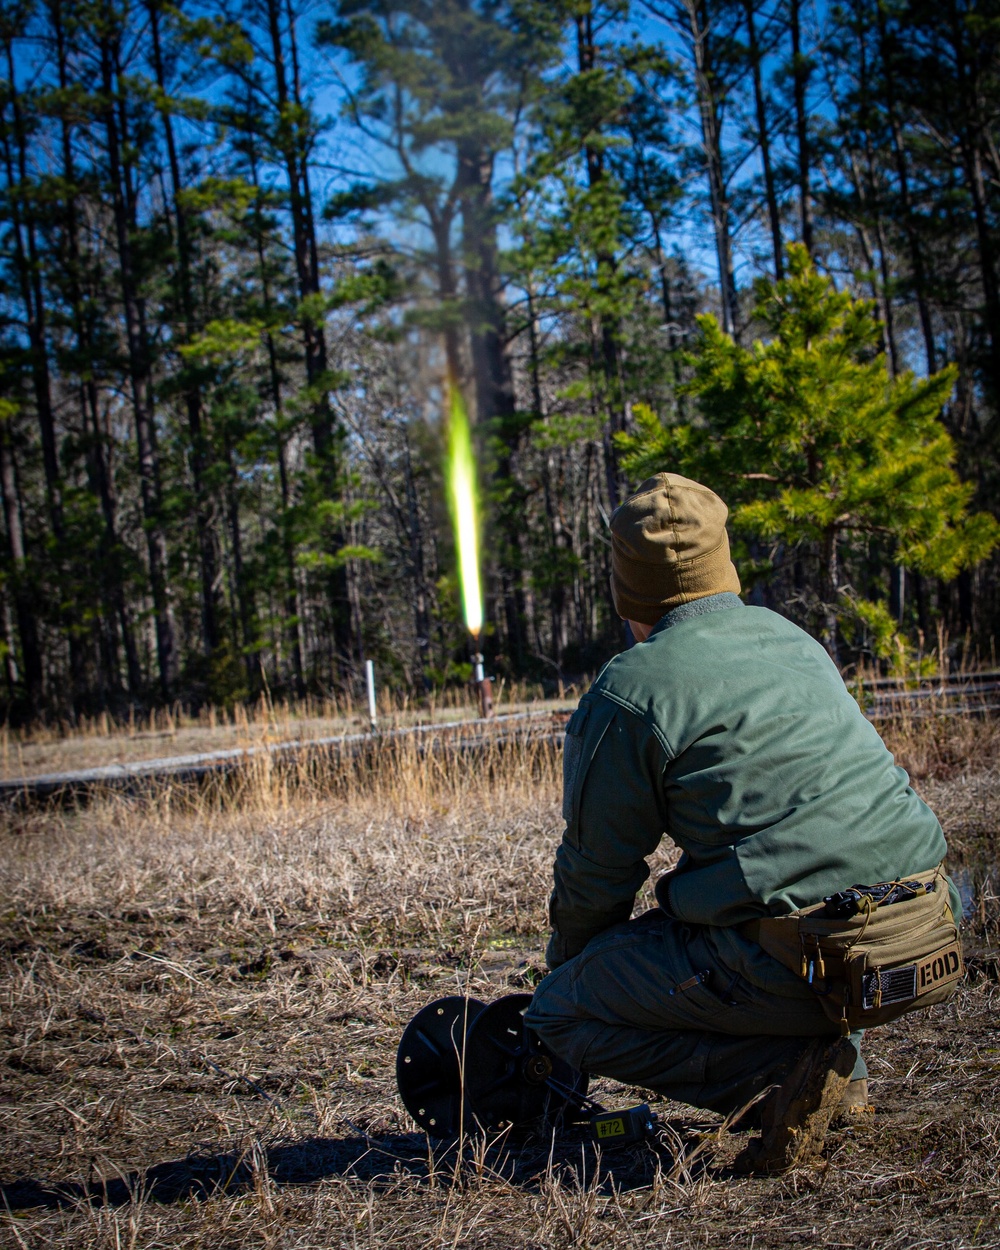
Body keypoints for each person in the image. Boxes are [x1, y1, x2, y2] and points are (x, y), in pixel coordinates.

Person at [524, 471, 961, 1171]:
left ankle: (785, 1080)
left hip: (820, 958)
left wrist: (566, 979)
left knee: (560, 1011)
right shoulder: (792, 640)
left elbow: (597, 873)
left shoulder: (630, 692)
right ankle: (826, 1064)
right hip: (931, 926)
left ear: (627, 588)